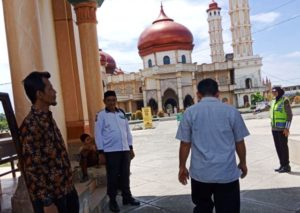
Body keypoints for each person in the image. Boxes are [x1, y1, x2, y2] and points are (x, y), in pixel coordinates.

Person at [176, 78, 249, 213]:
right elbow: (239, 141)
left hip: (200, 174)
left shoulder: (190, 113)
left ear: (198, 94)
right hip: (226, 173)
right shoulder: (231, 112)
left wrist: (182, 167)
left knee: (202, 208)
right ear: (218, 94)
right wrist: (243, 163)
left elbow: (185, 144)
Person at [20, 71, 79, 213]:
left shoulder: (47, 118)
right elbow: (32, 169)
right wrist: (47, 203)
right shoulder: (31, 124)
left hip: (66, 190)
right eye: (50, 89)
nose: (55, 92)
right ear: (39, 94)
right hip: (53, 200)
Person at [95, 90, 140, 213]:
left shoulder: (121, 113)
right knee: (113, 177)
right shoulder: (101, 115)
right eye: (108, 100)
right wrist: (101, 152)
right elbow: (98, 134)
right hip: (110, 151)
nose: (111, 102)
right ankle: (113, 200)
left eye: (113, 100)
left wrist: (130, 148)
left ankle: (127, 197)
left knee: (126, 174)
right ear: (104, 101)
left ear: (116, 100)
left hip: (124, 149)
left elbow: (127, 131)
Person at [270, 86, 293, 173]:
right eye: (272, 91)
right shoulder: (273, 101)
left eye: (275, 91)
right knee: (278, 147)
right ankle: (282, 165)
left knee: (283, 147)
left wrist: (287, 128)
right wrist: (257, 111)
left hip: (282, 129)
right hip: (274, 129)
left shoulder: (284, 100)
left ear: (279, 92)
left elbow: (289, 115)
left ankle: (286, 166)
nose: (273, 93)